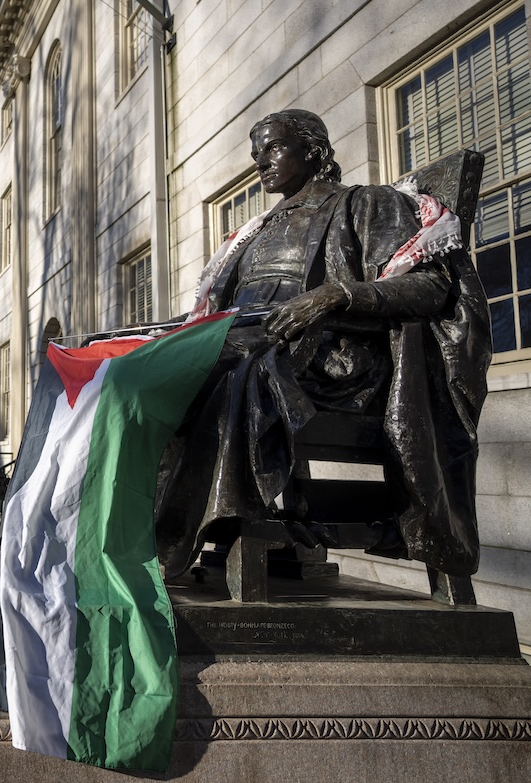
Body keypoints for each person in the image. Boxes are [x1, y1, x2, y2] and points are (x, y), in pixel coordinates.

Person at [154, 108, 489, 580]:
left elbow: (432, 286)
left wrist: (336, 294)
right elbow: (214, 313)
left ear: (313, 150)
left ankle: (167, 542)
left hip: (329, 357)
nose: (260, 162)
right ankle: (147, 530)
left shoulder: (366, 203)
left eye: (273, 148)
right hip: (245, 340)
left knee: (212, 371)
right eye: (255, 153)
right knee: (147, 368)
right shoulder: (255, 232)